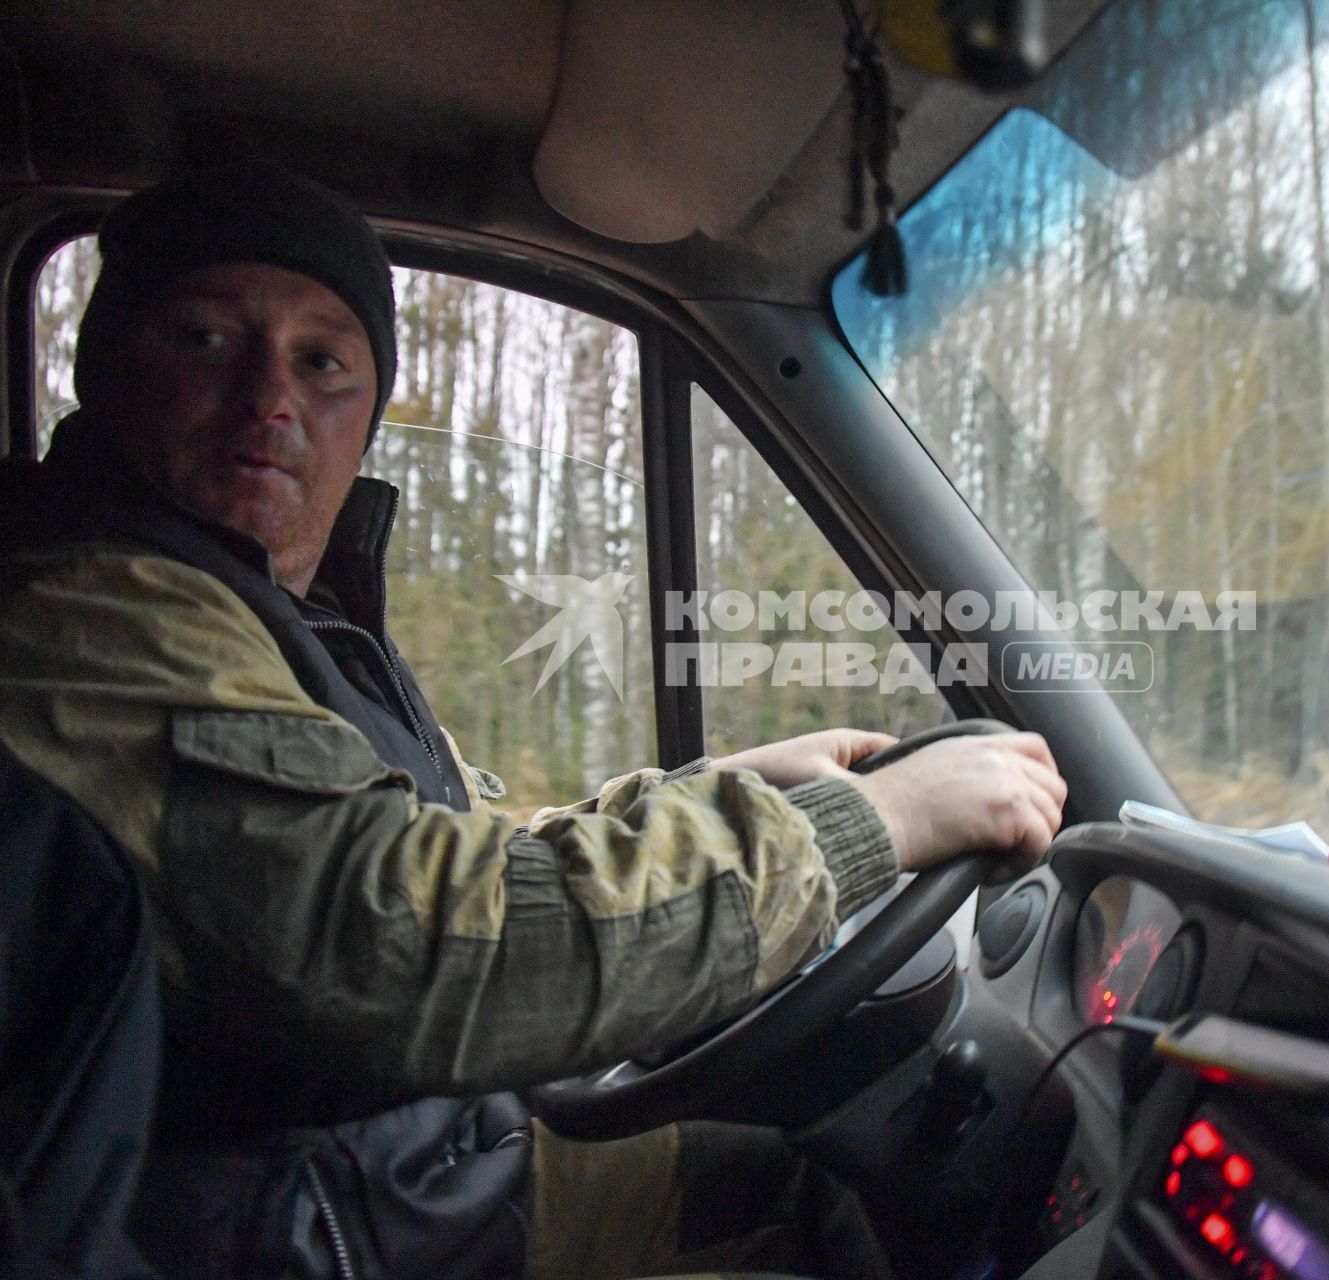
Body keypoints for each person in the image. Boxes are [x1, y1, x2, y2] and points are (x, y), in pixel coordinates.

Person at [0, 161, 1068, 1280]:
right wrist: (864, 824)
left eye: (322, 360)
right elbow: (414, 941)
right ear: (106, 369)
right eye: (206, 338)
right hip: (321, 1228)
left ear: (365, 413)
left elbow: (462, 851)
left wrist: (741, 784)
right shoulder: (93, 618)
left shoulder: (261, 613)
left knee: (812, 1179)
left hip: (402, 1176)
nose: (270, 397)